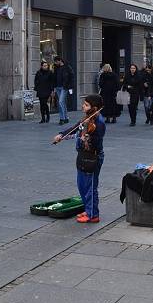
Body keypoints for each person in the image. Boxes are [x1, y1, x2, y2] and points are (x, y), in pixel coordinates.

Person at [53, 94, 105, 223]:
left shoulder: (99, 122)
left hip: (92, 156)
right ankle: (88, 209)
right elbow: (74, 128)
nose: (83, 106)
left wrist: (86, 138)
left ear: (94, 108)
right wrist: (62, 135)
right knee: (82, 185)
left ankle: (93, 215)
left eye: (86, 105)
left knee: (90, 186)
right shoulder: (87, 118)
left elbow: (96, 142)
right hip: (83, 155)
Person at [53, 56, 74, 125]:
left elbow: (71, 77)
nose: (55, 63)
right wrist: (54, 86)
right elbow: (55, 77)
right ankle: (66, 118)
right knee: (62, 103)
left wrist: (70, 86)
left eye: (56, 61)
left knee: (60, 102)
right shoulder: (56, 67)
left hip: (64, 87)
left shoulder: (67, 67)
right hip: (58, 87)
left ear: (60, 60)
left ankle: (62, 118)